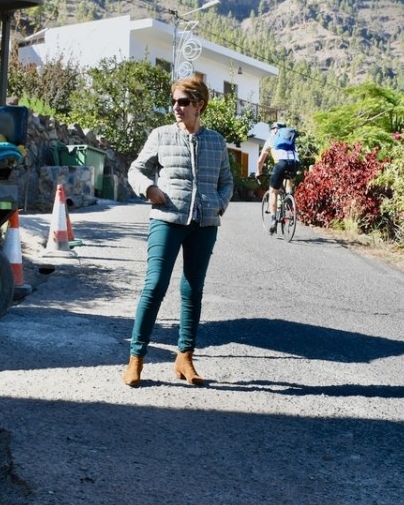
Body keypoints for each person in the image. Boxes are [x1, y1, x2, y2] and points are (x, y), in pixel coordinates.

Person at [122, 76, 234, 387]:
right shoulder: (161, 135)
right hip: (167, 218)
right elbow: (136, 169)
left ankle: (185, 358)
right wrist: (148, 188)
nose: (176, 107)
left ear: (199, 105)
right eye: (174, 101)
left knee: (192, 290)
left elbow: (226, 181)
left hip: (204, 223)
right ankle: (136, 359)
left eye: (183, 101)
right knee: (155, 285)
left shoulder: (216, 141)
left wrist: (219, 204)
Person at [256, 120, 300, 234]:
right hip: (295, 164)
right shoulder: (290, 139)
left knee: (273, 192)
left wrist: (258, 172)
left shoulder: (271, 139)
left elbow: (260, 160)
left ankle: (273, 220)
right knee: (288, 177)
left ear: (273, 130)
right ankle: (290, 199)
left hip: (281, 163)